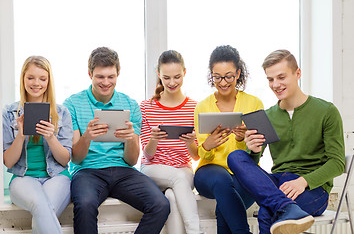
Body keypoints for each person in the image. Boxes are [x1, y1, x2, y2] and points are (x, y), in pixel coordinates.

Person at [227, 49, 345, 234]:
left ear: (297, 73)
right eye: (270, 79)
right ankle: (286, 206)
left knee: (268, 212)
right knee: (236, 156)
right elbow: (254, 165)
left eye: (281, 77)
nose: (275, 84)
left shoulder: (327, 111)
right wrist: (254, 150)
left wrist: (303, 181)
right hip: (279, 184)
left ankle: (283, 206)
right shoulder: (267, 116)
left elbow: (337, 163)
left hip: (313, 189)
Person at [63, 47, 170, 234]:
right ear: (90, 74)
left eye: (111, 77)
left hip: (123, 171)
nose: (106, 82)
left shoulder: (130, 105)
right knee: (85, 205)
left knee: (160, 204)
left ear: (118, 74)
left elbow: (131, 160)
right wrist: (87, 136)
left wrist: (130, 139)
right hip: (88, 171)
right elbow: (76, 159)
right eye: (100, 77)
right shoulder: (72, 104)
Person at [193, 45, 264, 234]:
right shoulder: (202, 106)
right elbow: (200, 152)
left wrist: (243, 141)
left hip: (243, 173)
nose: (223, 82)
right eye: (217, 77)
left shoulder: (254, 103)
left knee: (224, 208)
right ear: (211, 75)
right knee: (223, 181)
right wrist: (207, 145)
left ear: (238, 73)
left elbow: (260, 149)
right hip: (209, 173)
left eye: (228, 76)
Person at [2, 56, 73, 234]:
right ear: (23, 79)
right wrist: (21, 135)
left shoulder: (62, 113)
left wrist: (51, 137)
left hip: (57, 177)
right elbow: (8, 162)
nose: (36, 83)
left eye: (42, 78)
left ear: (49, 81)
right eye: (31, 77)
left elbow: (65, 160)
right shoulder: (9, 113)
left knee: (43, 211)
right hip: (22, 178)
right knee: (41, 205)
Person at [140, 50, 201, 234]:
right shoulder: (146, 107)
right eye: (166, 77)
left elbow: (196, 155)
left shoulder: (194, 107)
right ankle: (195, 232)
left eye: (177, 77)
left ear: (185, 73)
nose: (172, 82)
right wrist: (153, 139)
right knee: (177, 178)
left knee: (172, 198)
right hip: (153, 168)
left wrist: (190, 142)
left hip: (183, 168)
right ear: (159, 74)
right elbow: (147, 154)